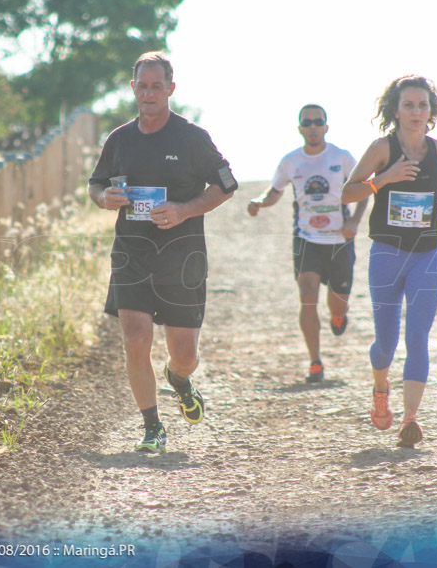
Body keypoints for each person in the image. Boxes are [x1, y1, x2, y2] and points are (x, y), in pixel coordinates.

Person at [89, 51, 238, 453]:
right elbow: (95, 185)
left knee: (184, 354)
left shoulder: (191, 138)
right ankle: (152, 426)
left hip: (182, 256)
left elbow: (227, 184)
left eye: (157, 86)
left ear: (171, 89)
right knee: (135, 339)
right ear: (133, 89)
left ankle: (180, 379)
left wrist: (185, 210)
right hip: (131, 254)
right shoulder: (119, 139)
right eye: (143, 85)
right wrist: (105, 199)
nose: (149, 92)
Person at [340, 75, 437, 448]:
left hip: (427, 255)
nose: (416, 112)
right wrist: (384, 179)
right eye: (408, 105)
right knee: (386, 343)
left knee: (418, 336)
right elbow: (347, 193)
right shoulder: (381, 149)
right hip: (387, 255)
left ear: (431, 110)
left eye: (422, 105)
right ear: (396, 110)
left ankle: (410, 419)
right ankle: (380, 386)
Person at [247, 104, 368, 383]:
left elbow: (364, 191)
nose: (312, 127)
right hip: (306, 238)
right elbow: (275, 190)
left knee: (338, 302)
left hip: (339, 239)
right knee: (307, 293)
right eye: (307, 122)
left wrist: (355, 222)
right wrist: (259, 202)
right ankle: (315, 362)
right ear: (300, 128)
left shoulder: (343, 157)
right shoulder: (291, 161)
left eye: (318, 122)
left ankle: (338, 316)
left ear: (326, 127)